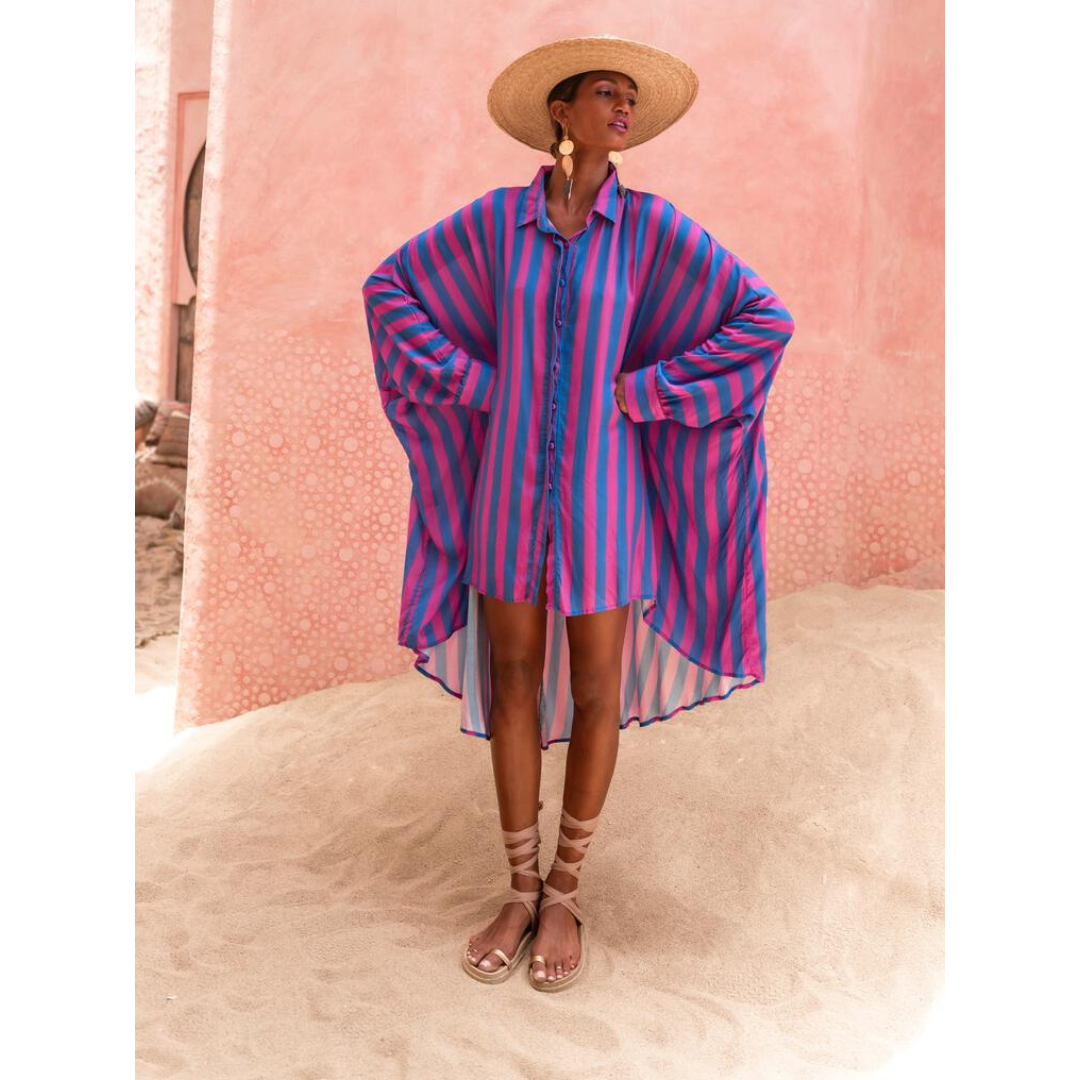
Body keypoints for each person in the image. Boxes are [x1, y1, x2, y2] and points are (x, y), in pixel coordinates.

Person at [362, 34, 796, 992]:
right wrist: (477, 382)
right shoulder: (494, 226)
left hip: (609, 503)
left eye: (630, 96)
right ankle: (516, 888)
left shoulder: (652, 230)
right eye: (607, 92)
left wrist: (645, 392)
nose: (624, 107)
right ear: (561, 112)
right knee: (512, 682)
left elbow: (763, 318)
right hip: (505, 496)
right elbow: (389, 289)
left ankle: (565, 891)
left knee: (598, 691)